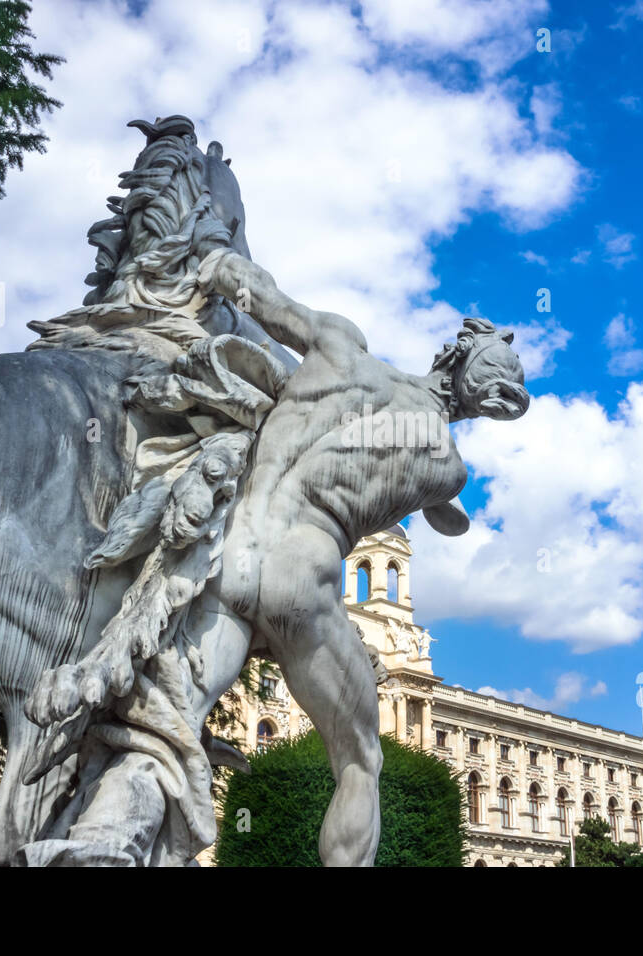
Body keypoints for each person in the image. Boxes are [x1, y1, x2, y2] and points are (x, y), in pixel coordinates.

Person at [196, 246, 529, 865]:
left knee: (166, 715)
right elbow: (450, 525)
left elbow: (253, 288)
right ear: (485, 404)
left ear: (447, 356)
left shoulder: (340, 346)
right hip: (301, 576)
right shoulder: (446, 469)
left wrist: (212, 254)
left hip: (226, 558)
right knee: (360, 760)